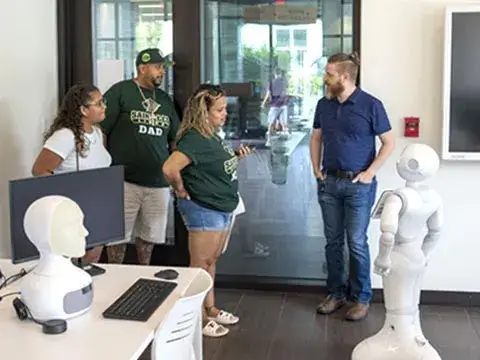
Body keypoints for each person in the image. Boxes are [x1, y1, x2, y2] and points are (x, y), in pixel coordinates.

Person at [162, 84, 254, 338]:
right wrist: (180, 189)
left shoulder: (212, 134)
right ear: (204, 112)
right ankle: (197, 318)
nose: (225, 114)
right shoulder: (194, 137)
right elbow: (170, 168)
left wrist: (235, 157)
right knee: (199, 265)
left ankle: (210, 308)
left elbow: (210, 164)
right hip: (203, 208)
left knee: (210, 261)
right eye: (220, 110)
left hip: (221, 206)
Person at [309, 52, 395, 321]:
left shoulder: (371, 105)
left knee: (356, 242)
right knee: (333, 243)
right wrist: (315, 168)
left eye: (329, 74)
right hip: (329, 182)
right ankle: (336, 293)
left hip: (359, 185)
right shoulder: (324, 104)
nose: (325, 78)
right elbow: (316, 138)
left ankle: (361, 298)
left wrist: (370, 173)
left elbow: (389, 142)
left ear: (345, 77)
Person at [100, 48, 180, 265]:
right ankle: (115, 278)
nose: (162, 72)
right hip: (124, 180)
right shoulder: (121, 91)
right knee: (117, 237)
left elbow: (174, 140)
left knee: (149, 237)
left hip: (157, 182)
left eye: (163, 68)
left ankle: (143, 274)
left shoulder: (164, 100)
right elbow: (102, 131)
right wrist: (105, 168)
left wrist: (175, 176)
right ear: (142, 68)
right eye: (157, 67)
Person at [32, 83, 111, 263]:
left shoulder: (98, 134)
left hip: (98, 205)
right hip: (76, 207)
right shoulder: (65, 136)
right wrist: (66, 194)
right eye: (99, 103)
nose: (104, 106)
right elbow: (39, 171)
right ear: (83, 109)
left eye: (103, 101)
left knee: (93, 260)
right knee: (77, 261)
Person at [261, 68, 289, 146]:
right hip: (283, 105)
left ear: (274, 74)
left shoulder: (272, 82)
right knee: (284, 123)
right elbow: (286, 91)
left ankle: (269, 141)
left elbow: (268, 93)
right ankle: (285, 140)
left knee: (270, 123)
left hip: (275, 105)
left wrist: (264, 103)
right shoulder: (284, 81)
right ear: (280, 74)